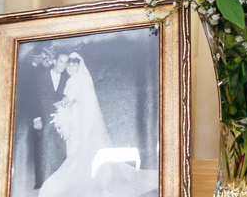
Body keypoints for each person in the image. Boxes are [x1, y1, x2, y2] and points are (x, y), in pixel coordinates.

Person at [38, 53, 157, 197]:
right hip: (76, 117)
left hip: (83, 118)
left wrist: (63, 103)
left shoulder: (81, 78)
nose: (70, 67)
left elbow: (75, 98)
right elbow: (68, 96)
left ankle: (87, 179)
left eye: (73, 65)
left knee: (81, 147)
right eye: (68, 64)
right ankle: (80, 173)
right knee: (75, 147)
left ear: (79, 66)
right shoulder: (71, 79)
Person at [18, 50, 68, 189]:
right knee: (42, 148)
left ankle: (58, 180)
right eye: (61, 61)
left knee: (58, 147)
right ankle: (42, 181)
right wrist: (36, 117)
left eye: (65, 62)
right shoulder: (40, 75)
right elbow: (32, 96)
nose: (63, 65)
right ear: (54, 61)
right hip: (42, 116)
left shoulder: (67, 77)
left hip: (59, 118)